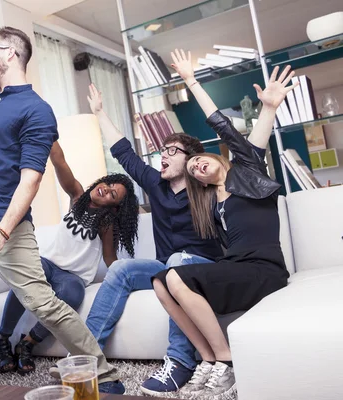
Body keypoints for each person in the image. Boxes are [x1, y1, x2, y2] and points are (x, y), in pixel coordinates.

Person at [0, 26, 124, 393]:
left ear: (10, 53)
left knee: (43, 303)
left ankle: (105, 376)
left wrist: (1, 232)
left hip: (7, 227)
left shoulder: (37, 110)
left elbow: (30, 180)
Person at [152, 49, 294, 398]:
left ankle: (227, 362)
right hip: (235, 267)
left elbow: (222, 125)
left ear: (213, 157)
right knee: (160, 280)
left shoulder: (249, 173)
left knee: (173, 275)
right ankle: (208, 359)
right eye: (193, 171)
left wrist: (191, 81)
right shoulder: (211, 205)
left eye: (198, 160)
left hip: (265, 270)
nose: (196, 167)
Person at [84, 83, 224, 395]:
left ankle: (180, 361)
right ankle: (86, 357)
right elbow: (123, 152)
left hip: (204, 269)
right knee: (121, 269)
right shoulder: (155, 184)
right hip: (168, 268)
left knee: (176, 263)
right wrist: (99, 112)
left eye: (172, 151)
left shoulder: (206, 190)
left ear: (190, 160)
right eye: (163, 149)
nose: (163, 154)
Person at [0, 141, 139, 375]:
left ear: (114, 207)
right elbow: (60, 162)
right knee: (25, 275)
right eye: (109, 183)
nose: (106, 188)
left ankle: (27, 344)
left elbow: (110, 258)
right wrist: (50, 136)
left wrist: (126, 278)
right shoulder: (77, 196)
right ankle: (2, 339)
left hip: (72, 277)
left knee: (73, 293)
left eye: (113, 194)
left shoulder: (106, 223)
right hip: (48, 263)